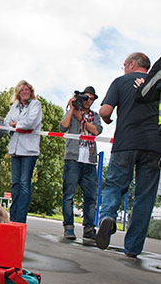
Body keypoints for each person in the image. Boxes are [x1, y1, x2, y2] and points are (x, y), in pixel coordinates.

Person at [97, 52, 161, 257]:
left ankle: (108, 217)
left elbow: (105, 111)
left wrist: (108, 121)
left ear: (132, 64)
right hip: (153, 145)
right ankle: (133, 248)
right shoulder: (156, 81)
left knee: (115, 185)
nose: (123, 68)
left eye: (124, 64)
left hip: (126, 142)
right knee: (145, 196)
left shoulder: (120, 81)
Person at [59, 86, 102, 241]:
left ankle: (89, 229)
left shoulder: (95, 116)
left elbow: (96, 130)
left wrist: (81, 118)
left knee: (91, 196)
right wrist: (71, 109)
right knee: (68, 195)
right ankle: (68, 228)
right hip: (73, 159)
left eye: (91, 99)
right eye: (85, 98)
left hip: (89, 161)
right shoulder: (73, 112)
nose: (88, 101)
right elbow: (63, 126)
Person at [4, 80, 42, 223]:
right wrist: (13, 126)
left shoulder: (35, 105)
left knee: (24, 184)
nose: (25, 92)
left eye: (27, 89)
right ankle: (12, 216)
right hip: (15, 149)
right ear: (18, 93)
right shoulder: (14, 106)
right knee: (15, 183)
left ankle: (20, 219)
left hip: (29, 150)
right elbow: (6, 122)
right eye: (22, 90)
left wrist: (15, 124)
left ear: (31, 91)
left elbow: (31, 123)